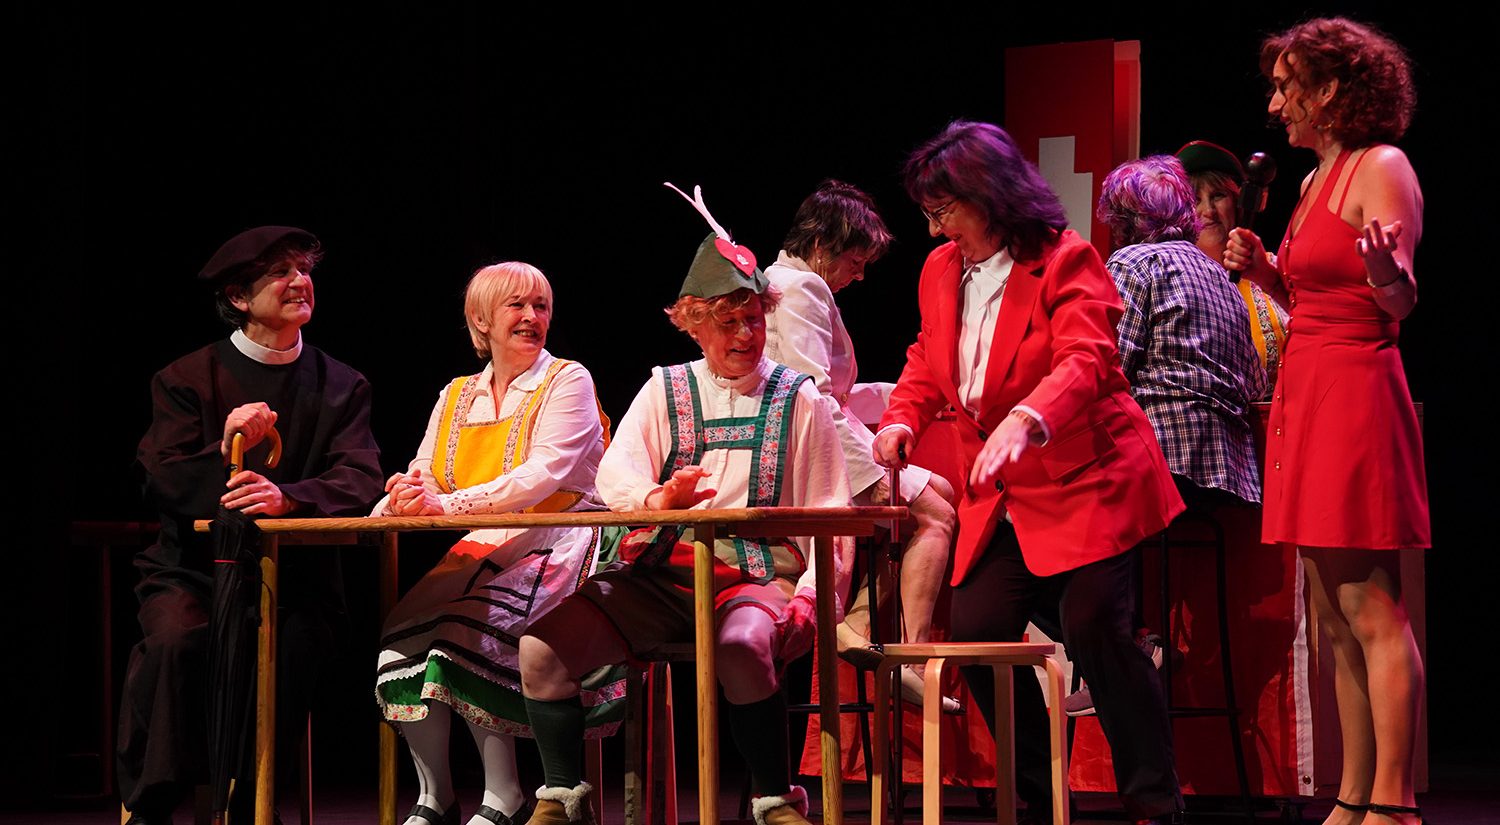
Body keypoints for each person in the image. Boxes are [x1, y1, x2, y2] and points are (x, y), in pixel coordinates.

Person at [873, 121, 1185, 825]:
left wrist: (1028, 417)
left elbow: (1088, 357)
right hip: (1006, 491)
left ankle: (1153, 802)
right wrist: (901, 417)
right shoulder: (940, 270)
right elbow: (927, 354)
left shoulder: (1066, 259)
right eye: (929, 213)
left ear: (989, 196)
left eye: (943, 211)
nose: (935, 230)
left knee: (1094, 623)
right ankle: (1045, 798)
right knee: (976, 633)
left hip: (1088, 476)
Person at [518, 219, 850, 825]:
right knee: (541, 651)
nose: (746, 335)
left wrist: (813, 595)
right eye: (730, 322)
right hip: (661, 576)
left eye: (755, 319)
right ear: (694, 323)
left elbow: (830, 509)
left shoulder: (797, 397)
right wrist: (659, 499)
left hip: (755, 577)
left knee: (741, 648)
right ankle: (561, 797)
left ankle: (774, 800)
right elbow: (614, 476)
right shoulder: (664, 390)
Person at [1224, 18, 1429, 825]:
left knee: (1371, 608)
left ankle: (1395, 803)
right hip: (1307, 389)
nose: (1276, 104)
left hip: (1352, 391)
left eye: (1287, 86)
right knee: (1336, 618)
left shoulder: (1382, 167)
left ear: (1333, 88)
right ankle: (1352, 795)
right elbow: (1312, 297)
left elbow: (1397, 301)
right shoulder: (1316, 179)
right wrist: (1268, 272)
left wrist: (1385, 273)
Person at [122, 226, 384, 825]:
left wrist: (287, 498)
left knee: (293, 647)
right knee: (175, 643)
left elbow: (361, 477)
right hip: (192, 574)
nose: (300, 282)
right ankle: (155, 805)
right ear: (239, 296)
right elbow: (160, 477)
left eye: (304, 270)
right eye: (280, 272)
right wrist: (226, 450)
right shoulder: (186, 378)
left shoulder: (342, 385)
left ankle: (250, 801)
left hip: (296, 582)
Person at [374, 262, 623, 825]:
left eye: (541, 305)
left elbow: (542, 475)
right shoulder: (458, 393)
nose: (532, 316)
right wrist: (406, 495)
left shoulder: (567, 380)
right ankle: (435, 797)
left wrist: (446, 506)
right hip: (492, 540)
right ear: (481, 319)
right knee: (399, 645)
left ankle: (503, 795)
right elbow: (428, 470)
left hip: (566, 539)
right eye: (517, 305)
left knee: (466, 633)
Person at [762, 179, 958, 709]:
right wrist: (869, 464)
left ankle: (859, 627)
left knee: (934, 498)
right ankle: (910, 662)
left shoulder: (785, 282)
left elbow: (833, 390)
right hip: (814, 450)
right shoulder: (801, 288)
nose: (861, 274)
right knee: (936, 513)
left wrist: (911, 398)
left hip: (813, 437)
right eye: (855, 260)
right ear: (821, 244)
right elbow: (811, 394)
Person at [1095, 155, 1266, 506]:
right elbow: (1255, 384)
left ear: (1125, 220)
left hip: (1162, 463)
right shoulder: (1224, 279)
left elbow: (1107, 367)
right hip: (1235, 475)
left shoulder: (1134, 262)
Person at [1176, 140, 1289, 396]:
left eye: (1218, 196)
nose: (1208, 211)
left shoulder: (1274, 268)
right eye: (1195, 200)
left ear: (1239, 201)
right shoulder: (1174, 283)